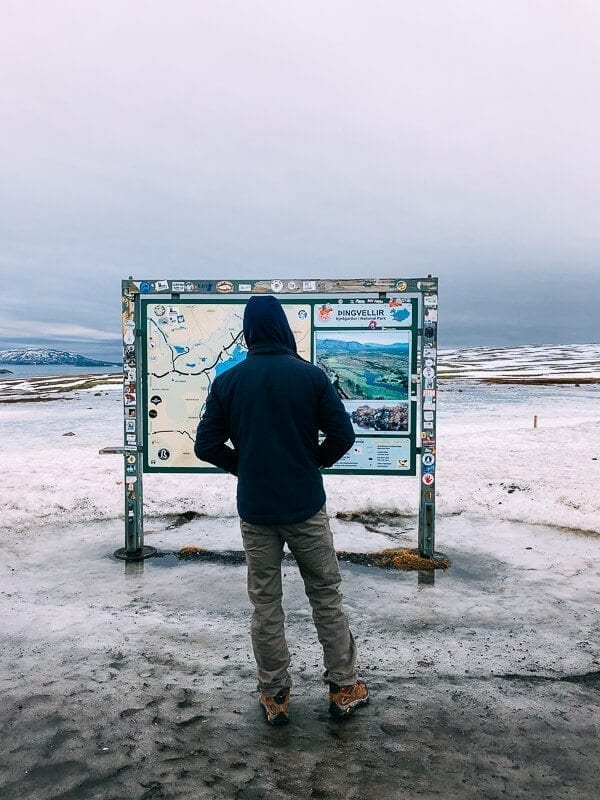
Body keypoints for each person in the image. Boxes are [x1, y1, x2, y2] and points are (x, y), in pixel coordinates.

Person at [194, 295, 369, 725]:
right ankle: (344, 687)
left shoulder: (228, 382)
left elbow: (206, 445)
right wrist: (312, 463)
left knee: (266, 604)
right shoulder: (310, 376)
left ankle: (275, 695)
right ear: (283, 328)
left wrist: (243, 466)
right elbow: (343, 436)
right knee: (325, 595)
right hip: (305, 506)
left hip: (257, 510)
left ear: (249, 332)